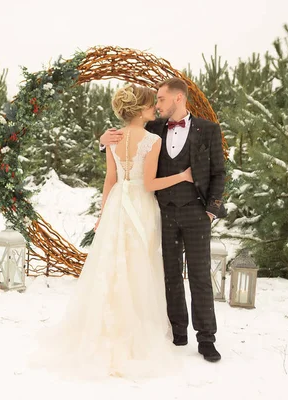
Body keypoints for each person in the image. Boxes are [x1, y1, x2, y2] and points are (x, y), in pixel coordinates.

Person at [30, 84, 193, 379]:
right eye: (149, 105)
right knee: (139, 262)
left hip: (118, 202)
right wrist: (182, 176)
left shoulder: (113, 139)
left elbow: (110, 179)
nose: (154, 109)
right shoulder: (152, 140)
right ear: (140, 109)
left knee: (112, 261)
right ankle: (134, 327)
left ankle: (108, 322)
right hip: (141, 205)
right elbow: (150, 184)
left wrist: (103, 212)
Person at [100, 77, 227, 362]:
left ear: (178, 98)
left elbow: (219, 172)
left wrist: (211, 209)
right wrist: (101, 141)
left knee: (199, 276)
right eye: (154, 101)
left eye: (161, 99)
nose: (156, 105)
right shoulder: (154, 128)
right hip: (163, 212)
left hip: (196, 213)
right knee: (169, 274)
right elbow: (126, 137)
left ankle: (206, 338)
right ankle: (177, 332)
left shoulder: (208, 130)